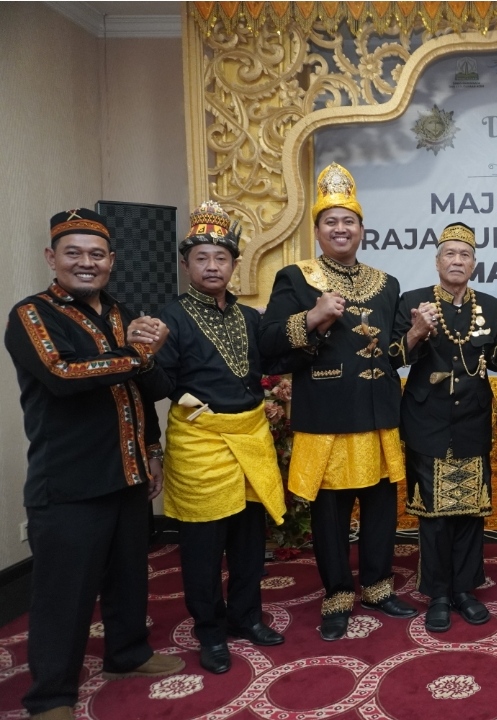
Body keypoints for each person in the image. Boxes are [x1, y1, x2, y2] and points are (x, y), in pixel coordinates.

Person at [5, 208, 184, 720]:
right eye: (74, 253)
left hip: (127, 473)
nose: (86, 263)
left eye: (96, 254)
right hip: (70, 481)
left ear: (111, 260)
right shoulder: (32, 314)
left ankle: (127, 654)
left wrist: (152, 451)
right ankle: (50, 696)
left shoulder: (122, 313)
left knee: (129, 576)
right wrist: (138, 355)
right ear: (52, 257)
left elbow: (152, 390)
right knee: (64, 592)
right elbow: (63, 375)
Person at [259, 163, 417, 642]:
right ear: (317, 230)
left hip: (378, 414)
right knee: (330, 513)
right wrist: (312, 317)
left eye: (349, 221)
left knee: (380, 508)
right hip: (326, 416)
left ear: (362, 229)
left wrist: (416, 334)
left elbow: (395, 353)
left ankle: (378, 587)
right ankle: (336, 595)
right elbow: (269, 343)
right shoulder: (295, 277)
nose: (340, 228)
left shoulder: (387, 283)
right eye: (331, 221)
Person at [155, 201, 288, 673]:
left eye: (221, 258)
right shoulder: (170, 318)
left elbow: (271, 363)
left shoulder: (248, 317)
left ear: (234, 265)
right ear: (186, 264)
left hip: (249, 437)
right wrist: (145, 355)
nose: (212, 266)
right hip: (201, 444)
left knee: (249, 541)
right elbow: (160, 386)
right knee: (204, 547)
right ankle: (209, 630)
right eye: (202, 258)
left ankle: (246, 616)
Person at [391, 222, 497, 632]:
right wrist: (416, 332)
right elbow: (394, 357)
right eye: (450, 254)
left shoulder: (492, 306)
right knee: (434, 515)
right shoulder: (413, 301)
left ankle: (465, 590)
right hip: (426, 421)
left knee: (470, 510)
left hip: (471, 421)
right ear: (437, 261)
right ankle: (439, 594)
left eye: (464, 255)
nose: (457, 261)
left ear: (474, 264)